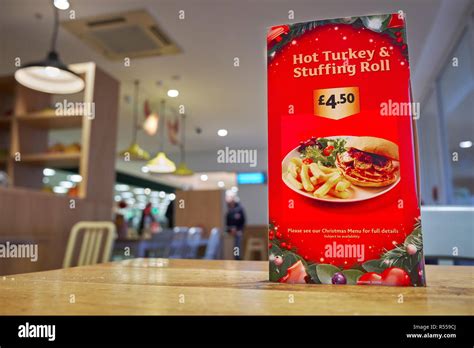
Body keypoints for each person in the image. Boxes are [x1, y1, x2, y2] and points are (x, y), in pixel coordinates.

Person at [225, 195, 246, 260]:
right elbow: (227, 223)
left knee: (237, 244)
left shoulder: (240, 209)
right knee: (228, 243)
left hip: (238, 232)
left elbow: (243, 221)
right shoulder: (228, 211)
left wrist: (238, 230)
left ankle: (237, 258)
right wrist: (230, 229)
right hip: (230, 232)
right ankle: (228, 258)